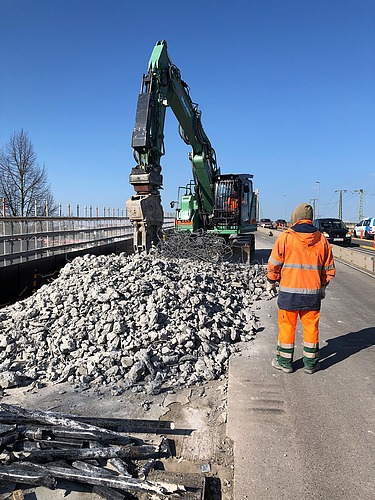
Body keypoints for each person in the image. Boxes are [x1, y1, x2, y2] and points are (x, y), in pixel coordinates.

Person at [266, 202, 336, 374]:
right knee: (311, 327)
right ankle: (311, 364)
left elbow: (274, 263)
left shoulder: (286, 237)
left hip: (289, 294)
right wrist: (323, 287)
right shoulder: (322, 240)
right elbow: (328, 268)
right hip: (312, 294)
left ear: (295, 218)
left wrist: (271, 281)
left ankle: (285, 362)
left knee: (287, 327)